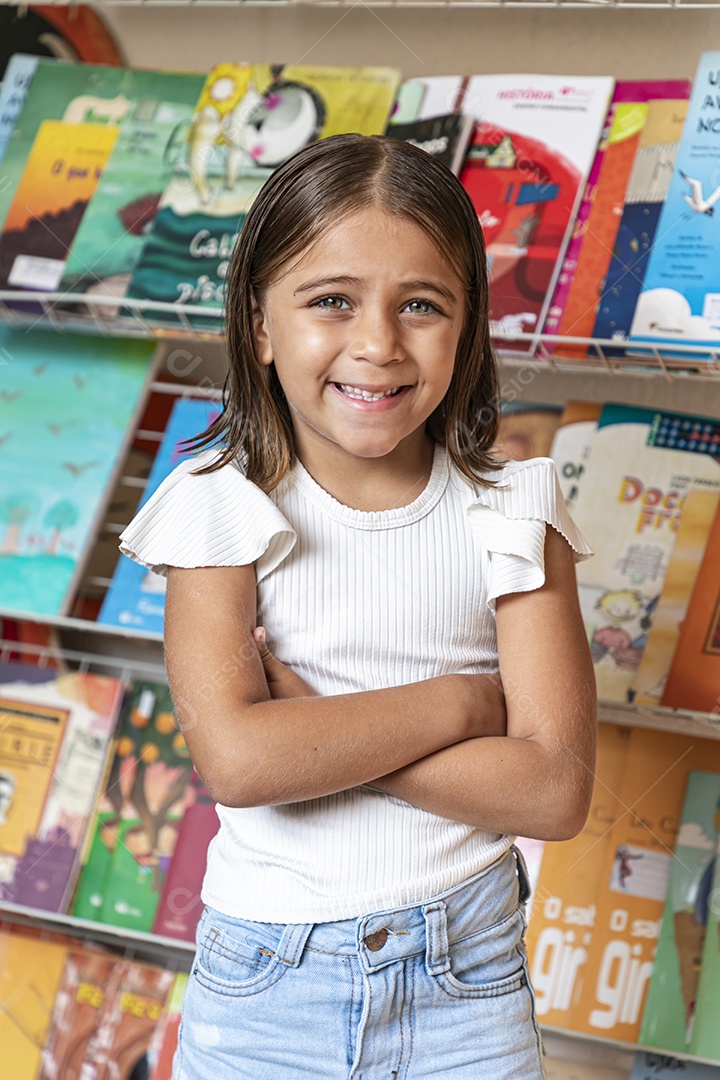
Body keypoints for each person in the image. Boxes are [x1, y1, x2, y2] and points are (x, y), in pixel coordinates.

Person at [120, 133, 597, 1079]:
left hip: (469, 976)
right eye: (331, 301)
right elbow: (245, 762)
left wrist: (319, 730)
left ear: (466, 331)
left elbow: (552, 791)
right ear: (259, 325)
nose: (377, 344)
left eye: (421, 306)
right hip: (267, 988)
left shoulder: (516, 511)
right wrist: (460, 706)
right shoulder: (217, 507)